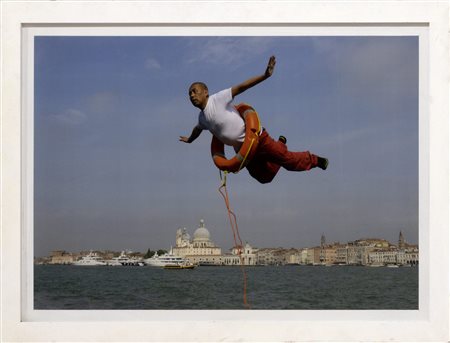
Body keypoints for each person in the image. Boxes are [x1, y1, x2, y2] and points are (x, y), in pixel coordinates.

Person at [179, 56, 328, 184]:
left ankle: (315, 160)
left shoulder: (218, 99)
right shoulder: (202, 118)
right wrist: (190, 139)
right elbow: (198, 128)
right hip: (246, 152)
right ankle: (281, 144)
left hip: (258, 138)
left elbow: (242, 86)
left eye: (194, 91)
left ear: (206, 92)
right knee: (265, 177)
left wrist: (265, 75)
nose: (192, 95)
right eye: (189, 94)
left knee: (287, 160)